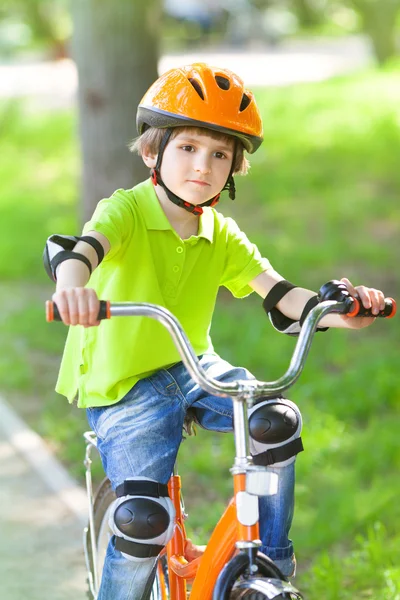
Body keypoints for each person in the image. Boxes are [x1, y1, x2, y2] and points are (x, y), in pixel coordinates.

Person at [45, 63, 386, 600]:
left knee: (274, 421)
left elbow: (282, 296)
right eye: (187, 148)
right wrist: (73, 288)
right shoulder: (127, 210)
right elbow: (78, 251)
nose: (202, 166)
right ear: (153, 152)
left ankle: (269, 566)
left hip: (192, 368)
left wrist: (340, 312)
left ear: (233, 169)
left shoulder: (219, 232)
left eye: (220, 154)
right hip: (122, 384)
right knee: (142, 522)